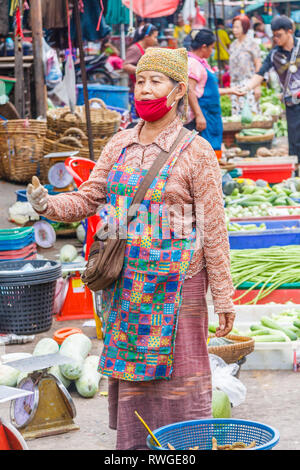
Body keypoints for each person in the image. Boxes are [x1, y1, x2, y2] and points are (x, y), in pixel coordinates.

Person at [26, 46, 236, 450]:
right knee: (136, 383)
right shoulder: (119, 144)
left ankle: (186, 448)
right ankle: (137, 450)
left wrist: (223, 298)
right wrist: (47, 204)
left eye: (155, 81)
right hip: (126, 286)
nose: (144, 89)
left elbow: (214, 229)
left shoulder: (197, 152)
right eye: (140, 81)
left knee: (181, 380)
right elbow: (88, 198)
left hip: (180, 290)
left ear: (178, 91)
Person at [244, 15, 300, 166]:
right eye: (274, 35)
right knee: (295, 141)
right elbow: (260, 73)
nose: (276, 39)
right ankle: (296, 174)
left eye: (279, 35)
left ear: (290, 32)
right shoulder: (274, 54)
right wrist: (247, 87)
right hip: (292, 103)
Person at [185, 28, 245, 157]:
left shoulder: (201, 62)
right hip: (203, 114)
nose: (212, 51)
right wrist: (199, 115)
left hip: (211, 115)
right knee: (204, 151)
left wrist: (231, 91)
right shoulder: (193, 64)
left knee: (212, 149)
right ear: (204, 47)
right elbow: (189, 91)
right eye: (211, 48)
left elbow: (205, 90)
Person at [122, 23, 158, 118]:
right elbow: (125, 66)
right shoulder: (135, 49)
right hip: (134, 88)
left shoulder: (144, 49)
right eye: (154, 37)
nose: (156, 40)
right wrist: (143, 71)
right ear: (147, 37)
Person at [229, 15, 262, 115]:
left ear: (245, 27)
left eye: (237, 27)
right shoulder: (233, 45)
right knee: (236, 115)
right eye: (233, 27)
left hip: (249, 84)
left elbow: (258, 64)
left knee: (250, 115)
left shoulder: (252, 44)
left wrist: (257, 86)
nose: (234, 30)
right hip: (235, 86)